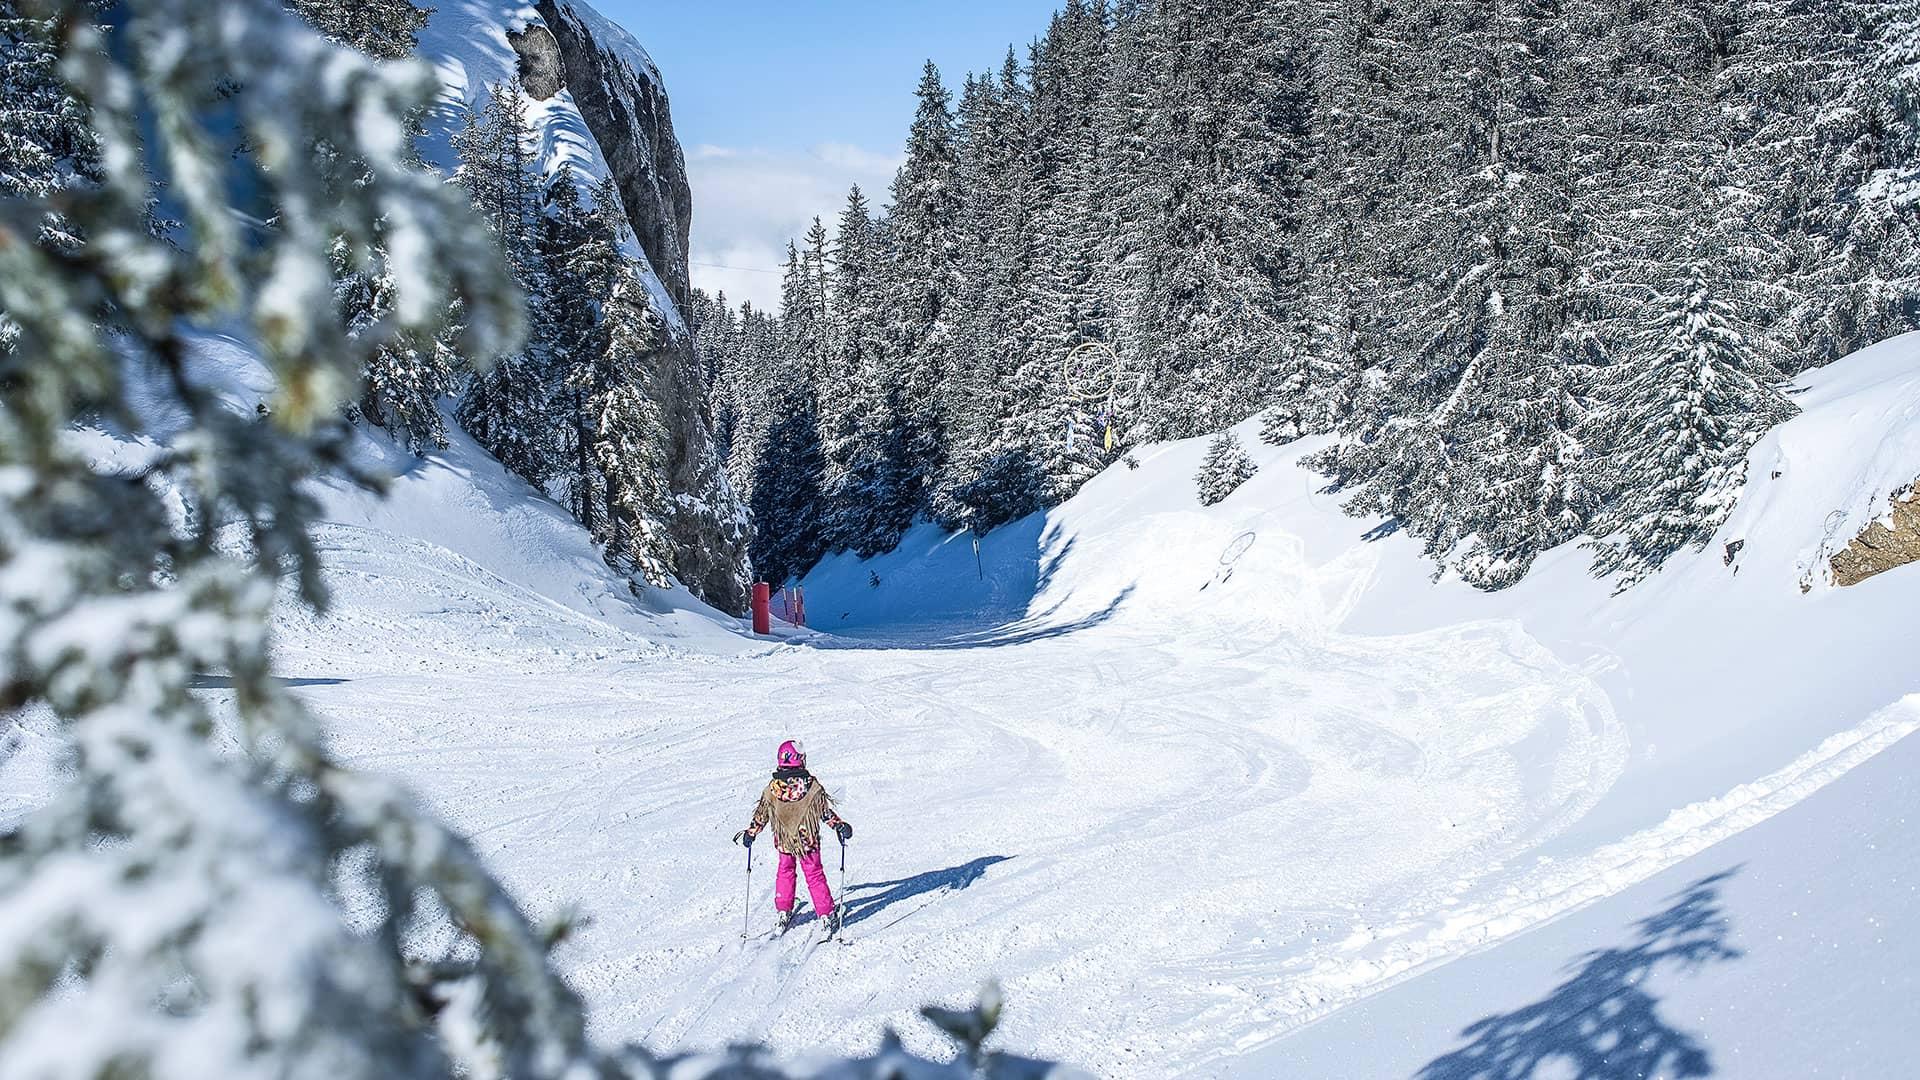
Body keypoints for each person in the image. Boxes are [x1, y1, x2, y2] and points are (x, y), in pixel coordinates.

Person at [734, 739, 853, 934]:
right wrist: (839, 826)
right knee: (814, 874)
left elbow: (762, 814)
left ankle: (783, 909)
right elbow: (823, 812)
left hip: (784, 840)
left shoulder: (773, 788)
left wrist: (751, 832)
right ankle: (826, 913)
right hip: (808, 840)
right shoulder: (811, 786)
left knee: (785, 870)